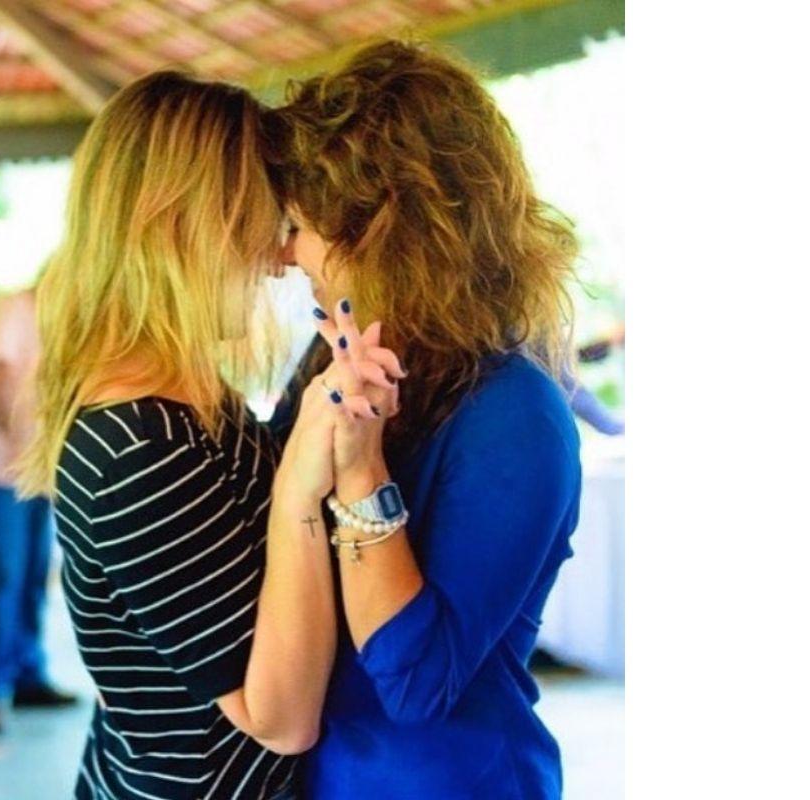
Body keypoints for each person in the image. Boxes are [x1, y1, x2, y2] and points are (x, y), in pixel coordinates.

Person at [13, 70, 403, 799]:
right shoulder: (137, 444)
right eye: (261, 217)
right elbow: (279, 718)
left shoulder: (183, 397)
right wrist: (298, 491)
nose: (276, 255)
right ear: (185, 225)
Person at [263, 39, 583, 798]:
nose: (284, 254)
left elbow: (416, 682)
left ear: (380, 230)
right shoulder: (329, 364)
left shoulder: (516, 413)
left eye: (300, 225)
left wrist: (360, 470)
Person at [0, 288, 75, 735]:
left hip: (36, 472)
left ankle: (28, 678)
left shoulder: (56, 314)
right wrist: (18, 444)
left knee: (33, 576)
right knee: (5, 579)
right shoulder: (15, 309)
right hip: (2, 472)